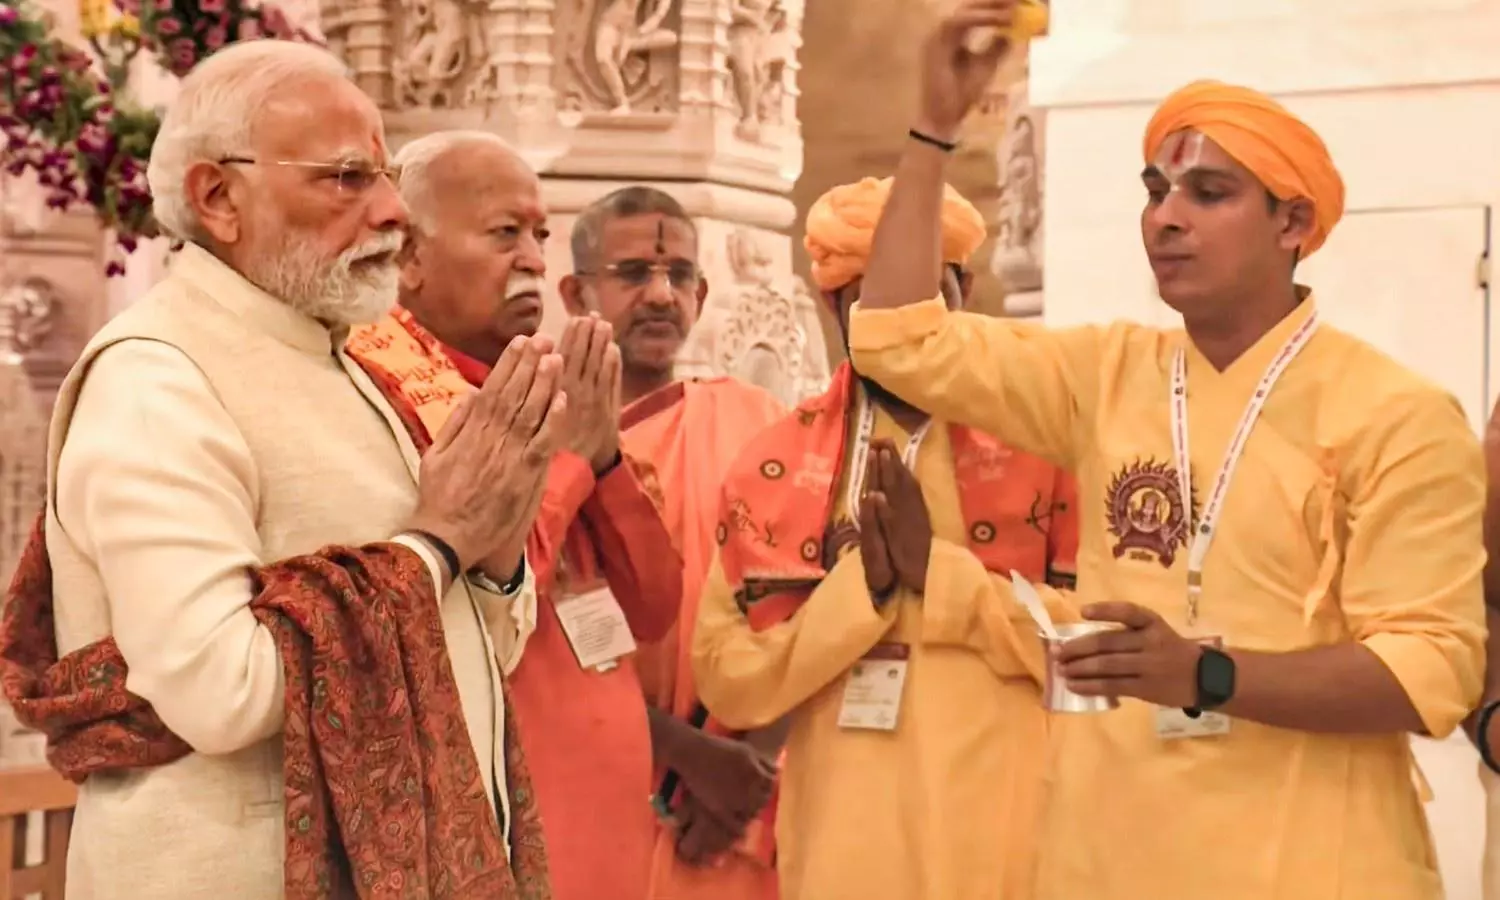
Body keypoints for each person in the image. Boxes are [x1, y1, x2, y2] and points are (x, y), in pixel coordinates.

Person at [845, 2, 1488, 898]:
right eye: (1155, 192)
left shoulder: (1395, 414)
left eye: (1207, 194)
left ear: (1292, 221)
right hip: (1109, 856)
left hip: (1312, 862)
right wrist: (933, 131)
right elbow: (895, 340)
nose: (1165, 219)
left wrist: (1206, 674)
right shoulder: (1107, 374)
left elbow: (1433, 670)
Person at [0, 41, 556, 899]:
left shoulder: (350, 363)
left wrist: (496, 545)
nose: (391, 214)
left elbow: (476, 648)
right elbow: (221, 690)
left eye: (385, 178)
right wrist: (437, 546)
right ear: (219, 197)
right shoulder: (158, 377)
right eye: (345, 180)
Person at [690, 174, 1081, 900]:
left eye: (930, 298)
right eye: (879, 300)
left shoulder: (1047, 444)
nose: (905, 326)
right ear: (836, 306)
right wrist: (859, 596)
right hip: (845, 845)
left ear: (965, 292)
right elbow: (728, 680)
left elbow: (1099, 658)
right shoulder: (775, 465)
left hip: (1013, 839)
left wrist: (941, 575)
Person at [347, 130, 684, 900]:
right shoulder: (385, 397)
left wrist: (600, 459)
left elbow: (654, 606)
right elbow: (481, 611)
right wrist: (567, 461)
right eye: (505, 233)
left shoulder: (554, 390)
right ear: (408, 258)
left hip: (613, 827)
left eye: (539, 234)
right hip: (500, 823)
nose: (535, 257)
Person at [559, 186, 788, 900]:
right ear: (576, 293)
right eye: (632, 275)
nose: (660, 295)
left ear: (704, 290)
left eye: (679, 276)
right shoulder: (541, 440)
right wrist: (681, 754)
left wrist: (744, 765)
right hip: (595, 776)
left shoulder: (756, 422)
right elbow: (532, 638)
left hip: (745, 786)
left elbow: (812, 599)